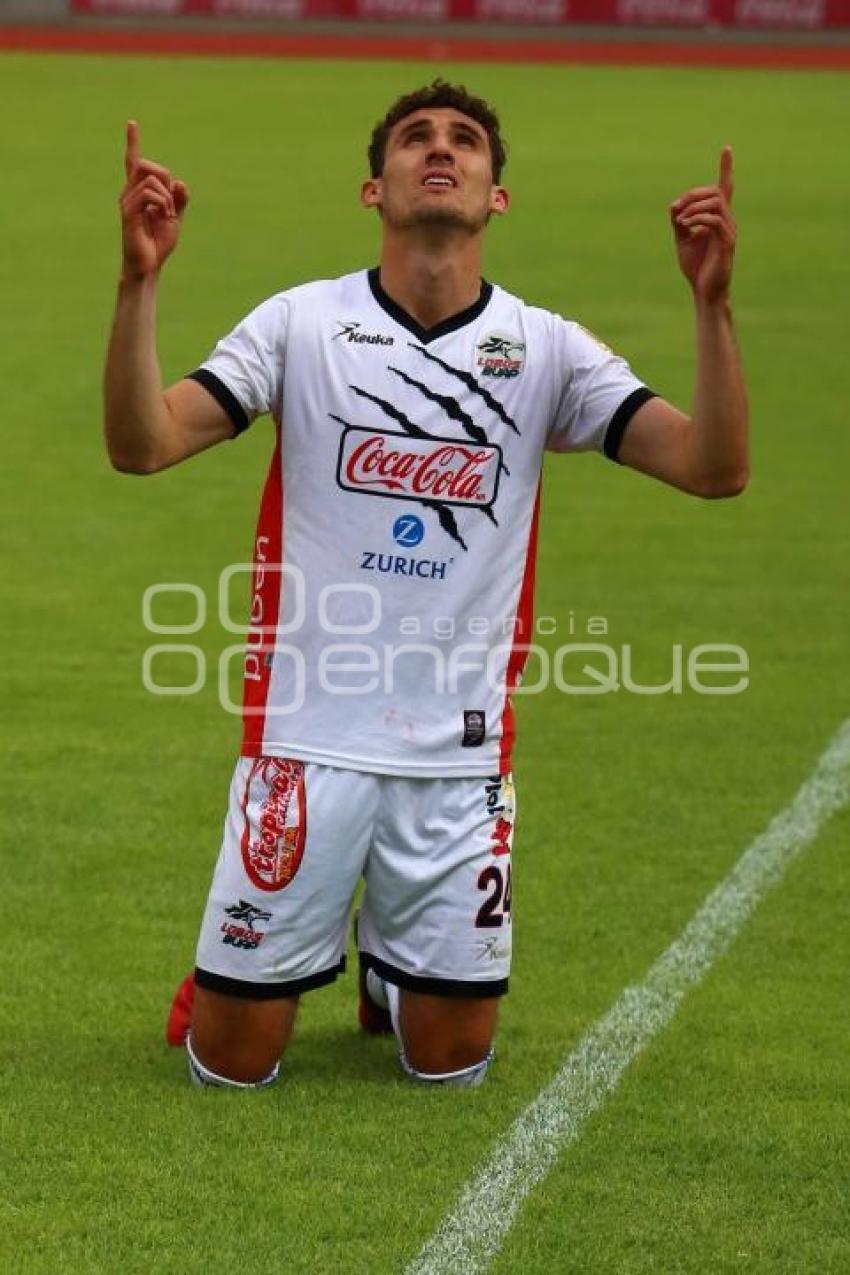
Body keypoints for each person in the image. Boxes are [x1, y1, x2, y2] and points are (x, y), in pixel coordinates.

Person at [104, 81, 748, 1091]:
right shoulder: (300, 324)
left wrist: (710, 309)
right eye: (414, 140)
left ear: (498, 195)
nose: (438, 151)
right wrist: (138, 284)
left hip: (457, 762)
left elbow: (713, 467)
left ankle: (395, 976)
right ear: (375, 188)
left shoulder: (546, 350)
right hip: (306, 742)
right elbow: (142, 446)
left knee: (448, 1066)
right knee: (230, 1065)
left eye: (464, 142)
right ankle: (248, 974)